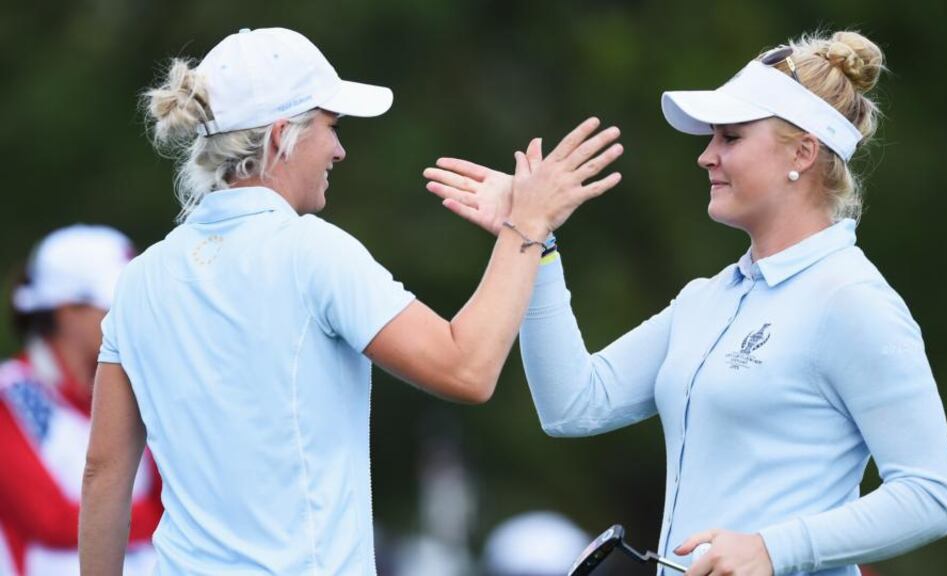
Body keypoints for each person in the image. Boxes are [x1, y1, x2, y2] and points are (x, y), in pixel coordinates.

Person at [77, 27, 623, 576]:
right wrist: (526, 225)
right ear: (279, 137)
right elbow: (468, 369)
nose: (339, 149)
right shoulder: (312, 251)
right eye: (330, 127)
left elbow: (104, 472)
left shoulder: (140, 278)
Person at [425, 30, 947, 575]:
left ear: (802, 152)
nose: (706, 156)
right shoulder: (706, 299)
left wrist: (774, 549)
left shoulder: (851, 299)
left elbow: (931, 495)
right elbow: (571, 406)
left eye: (730, 137)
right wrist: (534, 241)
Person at [0, 225, 161, 575]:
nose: (131, 319)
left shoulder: (145, 390)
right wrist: (158, 513)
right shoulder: (8, 396)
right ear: (67, 310)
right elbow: (51, 520)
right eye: (115, 305)